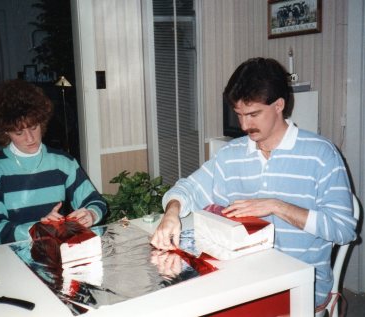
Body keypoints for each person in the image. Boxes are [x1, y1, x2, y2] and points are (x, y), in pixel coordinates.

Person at [151, 57, 357, 310]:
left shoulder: (321, 154)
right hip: (241, 277)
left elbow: (343, 229)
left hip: (299, 285)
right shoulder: (231, 154)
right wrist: (172, 212)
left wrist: (276, 206)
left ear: (279, 105)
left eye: (253, 114)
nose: (244, 125)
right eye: (239, 115)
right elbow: (189, 188)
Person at [0, 79, 107, 246]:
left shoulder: (63, 162)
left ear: (42, 122)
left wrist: (92, 213)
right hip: (15, 254)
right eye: (19, 132)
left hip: (58, 251)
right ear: (5, 131)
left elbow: (96, 201)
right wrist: (37, 229)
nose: (30, 138)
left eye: (34, 127)